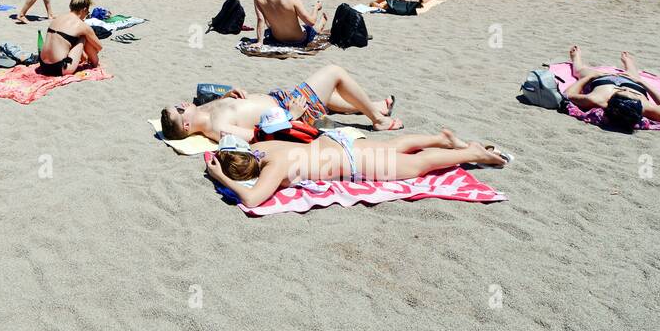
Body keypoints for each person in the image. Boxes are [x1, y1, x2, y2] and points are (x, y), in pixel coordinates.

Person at [205, 128, 505, 209]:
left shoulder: (273, 167)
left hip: (350, 162)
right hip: (338, 142)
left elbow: (254, 199)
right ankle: (441, 139)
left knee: (417, 165)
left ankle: (472, 152)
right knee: (396, 146)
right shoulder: (264, 149)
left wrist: (220, 177)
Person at [159, 64, 403, 140]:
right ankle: (378, 119)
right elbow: (258, 135)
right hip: (290, 110)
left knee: (323, 93)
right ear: (187, 126)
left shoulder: (205, 110)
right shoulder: (219, 129)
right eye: (180, 109)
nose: (182, 103)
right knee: (334, 72)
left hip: (281, 99)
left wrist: (227, 96)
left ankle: (373, 106)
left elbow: (227, 107)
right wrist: (292, 116)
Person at [564, 45, 660, 124]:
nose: (625, 89)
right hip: (633, 84)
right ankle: (629, 64)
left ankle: (576, 58)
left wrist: (590, 77)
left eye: (621, 92)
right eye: (632, 93)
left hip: (604, 80)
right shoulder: (647, 108)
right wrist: (642, 83)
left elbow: (568, 94)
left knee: (579, 71)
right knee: (634, 76)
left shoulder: (596, 99)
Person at [36, 0, 103, 76]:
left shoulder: (58, 18)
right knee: (83, 37)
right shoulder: (82, 25)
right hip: (59, 68)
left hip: (43, 65)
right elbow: (99, 47)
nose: (87, 15)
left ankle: (84, 59)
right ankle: (95, 65)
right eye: (88, 13)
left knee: (70, 39)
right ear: (84, 9)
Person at [253, 0, 326, 46]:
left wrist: (259, 42)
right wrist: (316, 8)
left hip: (277, 39)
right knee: (309, 28)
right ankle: (319, 27)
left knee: (275, 26)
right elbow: (311, 22)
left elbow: (261, 20)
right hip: (299, 40)